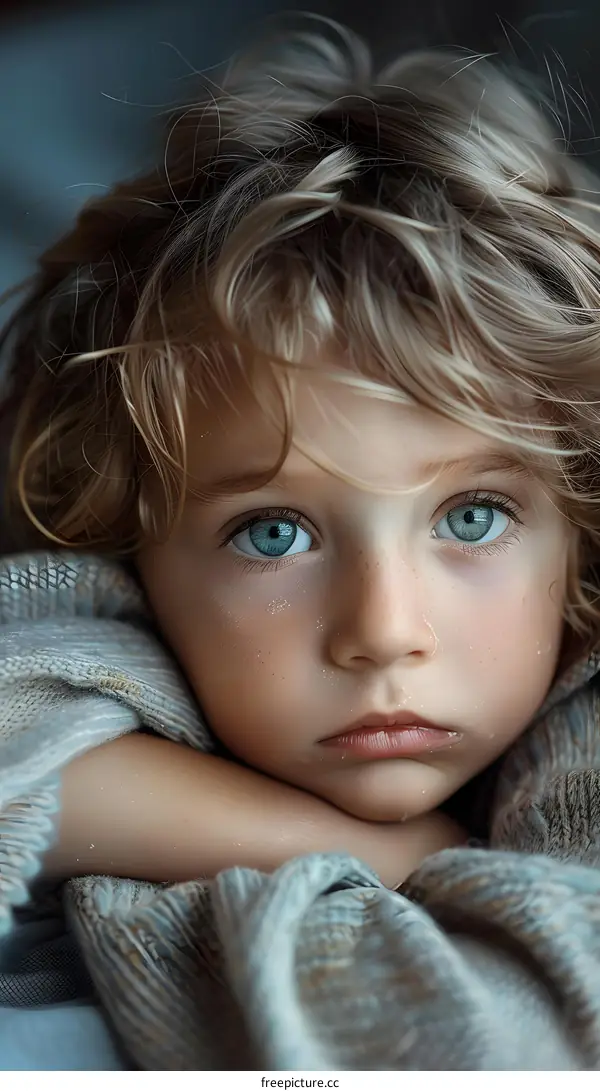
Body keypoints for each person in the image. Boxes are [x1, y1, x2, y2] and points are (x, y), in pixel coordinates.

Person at [1, 16, 600, 1070]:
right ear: (131, 544)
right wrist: (386, 849)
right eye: (272, 532)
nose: (382, 631)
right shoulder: (110, 626)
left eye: (471, 516)